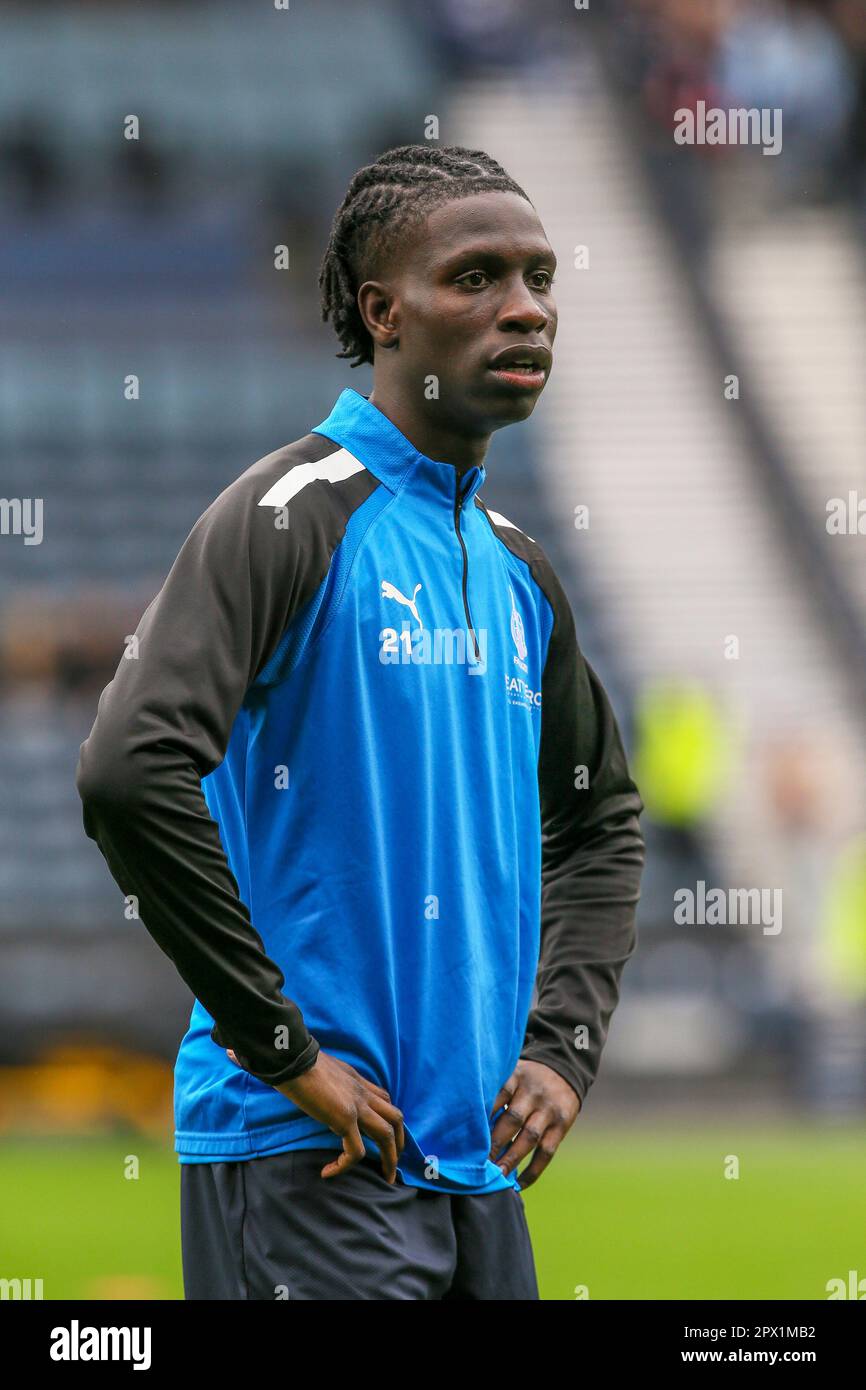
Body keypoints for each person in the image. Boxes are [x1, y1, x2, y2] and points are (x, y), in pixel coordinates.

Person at [76, 144, 645, 1300]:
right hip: (308, 1153)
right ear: (383, 312)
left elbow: (601, 822)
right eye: (476, 278)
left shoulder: (516, 571)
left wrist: (561, 1046)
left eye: (539, 278)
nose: (524, 310)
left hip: (472, 1167)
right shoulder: (287, 516)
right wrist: (281, 1049)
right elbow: (130, 769)